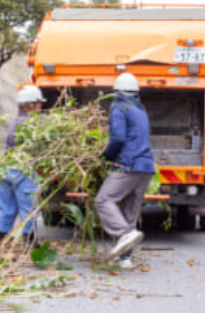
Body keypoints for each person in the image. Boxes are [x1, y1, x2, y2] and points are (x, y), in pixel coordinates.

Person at [94, 73, 155, 269]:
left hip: (128, 164)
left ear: (117, 91)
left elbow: (118, 138)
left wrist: (106, 156)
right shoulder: (141, 108)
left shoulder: (119, 105)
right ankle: (125, 258)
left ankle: (123, 233)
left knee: (103, 200)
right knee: (130, 210)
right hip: (146, 167)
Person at [0, 85, 44, 248]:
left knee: (7, 206)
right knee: (29, 208)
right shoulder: (29, 125)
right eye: (38, 103)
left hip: (6, 170)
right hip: (23, 172)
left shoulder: (17, 121)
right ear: (30, 104)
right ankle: (30, 241)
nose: (41, 106)